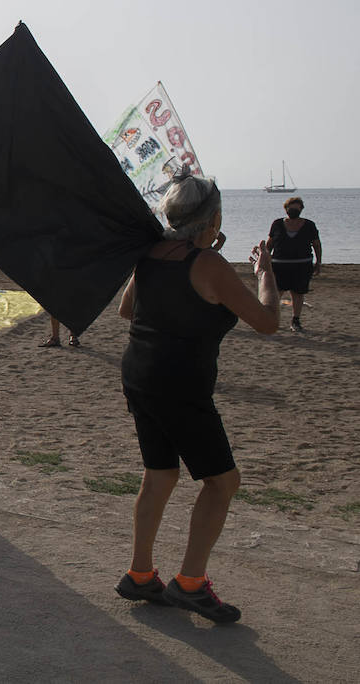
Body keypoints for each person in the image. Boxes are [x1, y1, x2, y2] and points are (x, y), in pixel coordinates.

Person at [114, 173, 278, 623]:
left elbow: (128, 309)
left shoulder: (150, 253)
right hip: (179, 384)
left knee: (160, 474)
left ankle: (141, 574)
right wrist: (265, 274)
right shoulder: (208, 264)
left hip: (140, 374)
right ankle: (190, 584)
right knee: (222, 482)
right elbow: (266, 321)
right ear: (214, 219)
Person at [266, 196, 321, 332]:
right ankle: (272, 319)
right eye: (291, 208)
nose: (294, 211)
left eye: (297, 209)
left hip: (302, 265)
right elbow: (270, 243)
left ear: (301, 209)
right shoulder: (277, 224)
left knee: (298, 293)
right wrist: (265, 260)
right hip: (279, 264)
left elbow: (317, 245)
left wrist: (318, 262)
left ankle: (295, 320)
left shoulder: (309, 225)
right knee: (276, 292)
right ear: (286, 209)